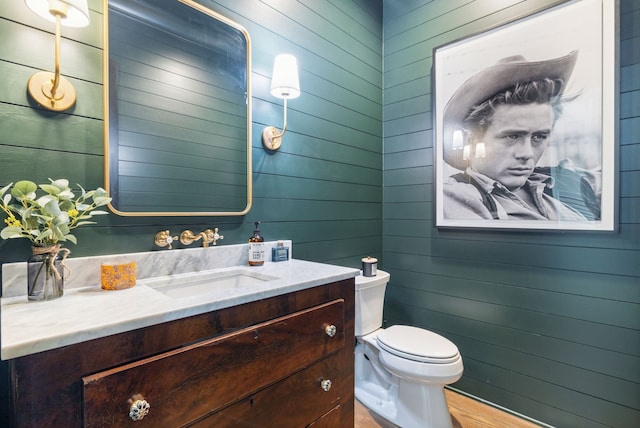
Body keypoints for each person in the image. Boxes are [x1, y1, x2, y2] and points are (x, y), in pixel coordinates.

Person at [441, 50, 594, 221]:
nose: (527, 153)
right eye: (512, 137)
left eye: (538, 137)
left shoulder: (560, 185)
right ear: (473, 141)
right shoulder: (456, 196)